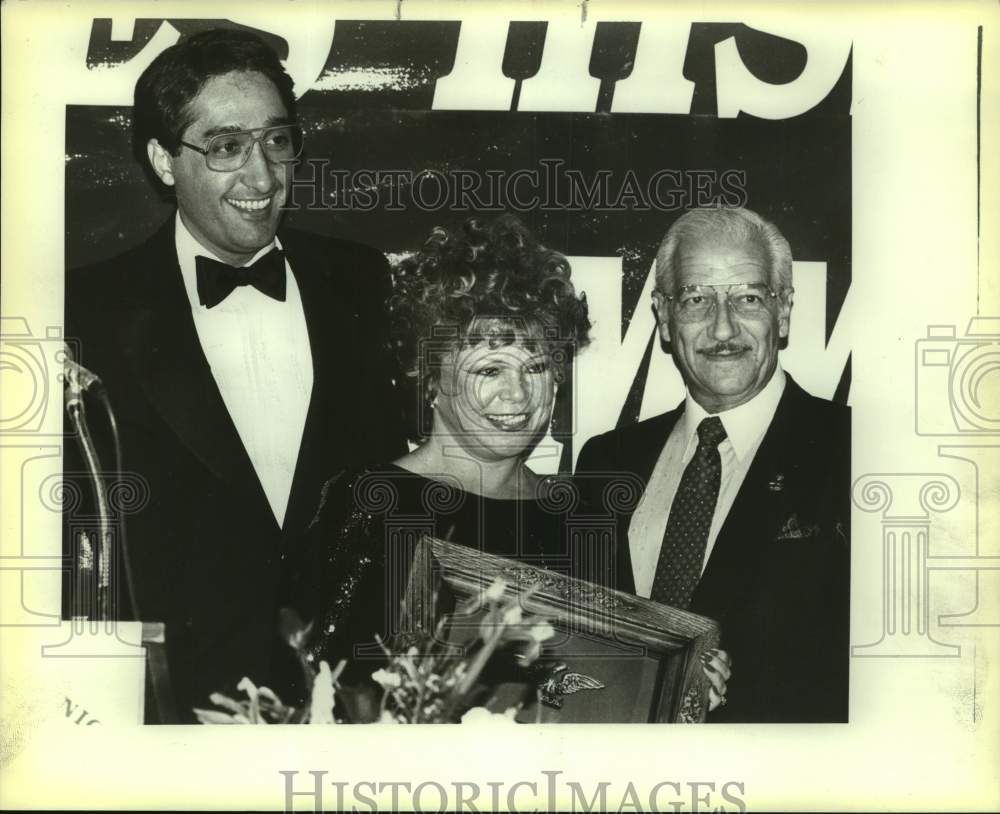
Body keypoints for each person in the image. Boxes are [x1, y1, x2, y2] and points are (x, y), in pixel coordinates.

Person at [63, 29, 406, 719]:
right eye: (226, 147)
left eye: (277, 140)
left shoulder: (360, 279)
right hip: (176, 710)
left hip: (349, 703)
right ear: (163, 160)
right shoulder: (86, 311)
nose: (263, 177)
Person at [285, 214, 732, 720]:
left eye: (537, 366)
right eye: (490, 368)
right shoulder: (369, 502)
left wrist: (679, 686)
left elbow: (607, 687)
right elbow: (307, 698)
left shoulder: (582, 516)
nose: (517, 395)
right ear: (428, 377)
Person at [575, 207, 850, 723]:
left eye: (748, 298)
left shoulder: (855, 449)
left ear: (784, 310)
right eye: (696, 299)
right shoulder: (605, 462)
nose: (723, 328)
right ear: (663, 316)